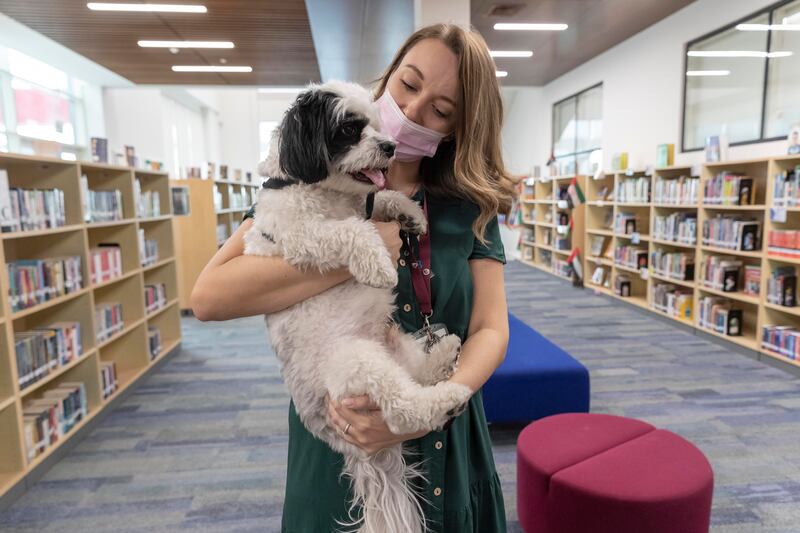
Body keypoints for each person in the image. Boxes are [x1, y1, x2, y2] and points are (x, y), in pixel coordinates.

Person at [191, 23, 515, 533]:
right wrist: (351, 254)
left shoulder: (472, 206)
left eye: (441, 110)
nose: (412, 112)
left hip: (445, 437)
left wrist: (432, 409)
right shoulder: (309, 183)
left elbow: (492, 328)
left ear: (458, 127)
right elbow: (209, 297)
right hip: (338, 436)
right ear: (386, 78)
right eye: (408, 85)